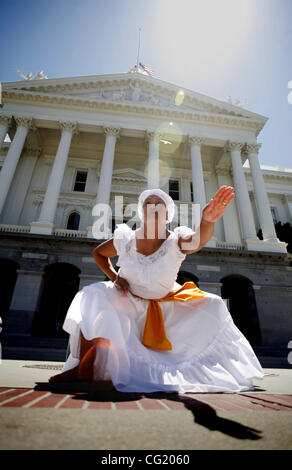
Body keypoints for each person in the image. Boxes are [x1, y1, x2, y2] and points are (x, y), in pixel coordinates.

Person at [48, 186, 265, 394]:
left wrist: (207, 220)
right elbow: (99, 254)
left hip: (166, 303)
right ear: (141, 211)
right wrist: (115, 278)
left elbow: (196, 242)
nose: (153, 206)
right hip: (128, 300)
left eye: (158, 203)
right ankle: (77, 367)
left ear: (167, 212)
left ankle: (223, 366)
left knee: (214, 304)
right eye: (148, 203)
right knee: (93, 294)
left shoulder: (175, 239)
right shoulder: (127, 238)